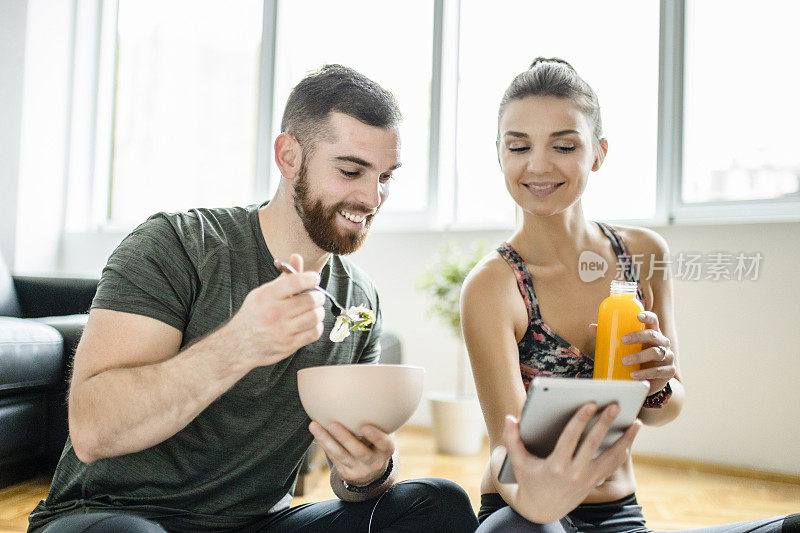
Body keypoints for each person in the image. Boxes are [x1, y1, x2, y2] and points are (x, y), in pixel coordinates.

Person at [28, 65, 479, 533]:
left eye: (386, 177)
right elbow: (92, 430)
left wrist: (368, 473)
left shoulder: (358, 299)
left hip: (256, 524)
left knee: (439, 504)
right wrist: (239, 344)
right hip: (114, 515)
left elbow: (351, 480)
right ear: (289, 156)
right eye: (350, 170)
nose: (372, 197)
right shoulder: (178, 245)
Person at [460, 57, 798, 533]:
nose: (538, 165)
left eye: (563, 145)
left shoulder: (641, 254)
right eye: (519, 146)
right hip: (525, 513)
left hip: (615, 510)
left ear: (597, 153)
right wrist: (537, 506)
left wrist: (656, 382)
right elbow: (506, 447)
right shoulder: (492, 285)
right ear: (499, 154)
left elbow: (669, 405)